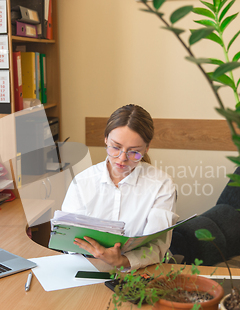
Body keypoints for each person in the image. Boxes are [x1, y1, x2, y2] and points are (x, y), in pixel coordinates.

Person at [61, 104, 178, 270]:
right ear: (106, 139)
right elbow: (67, 239)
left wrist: (122, 261)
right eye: (115, 147)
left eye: (134, 152)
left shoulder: (161, 184)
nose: (122, 158)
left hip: (139, 271)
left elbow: (157, 246)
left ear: (147, 148)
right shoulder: (83, 182)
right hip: (87, 268)